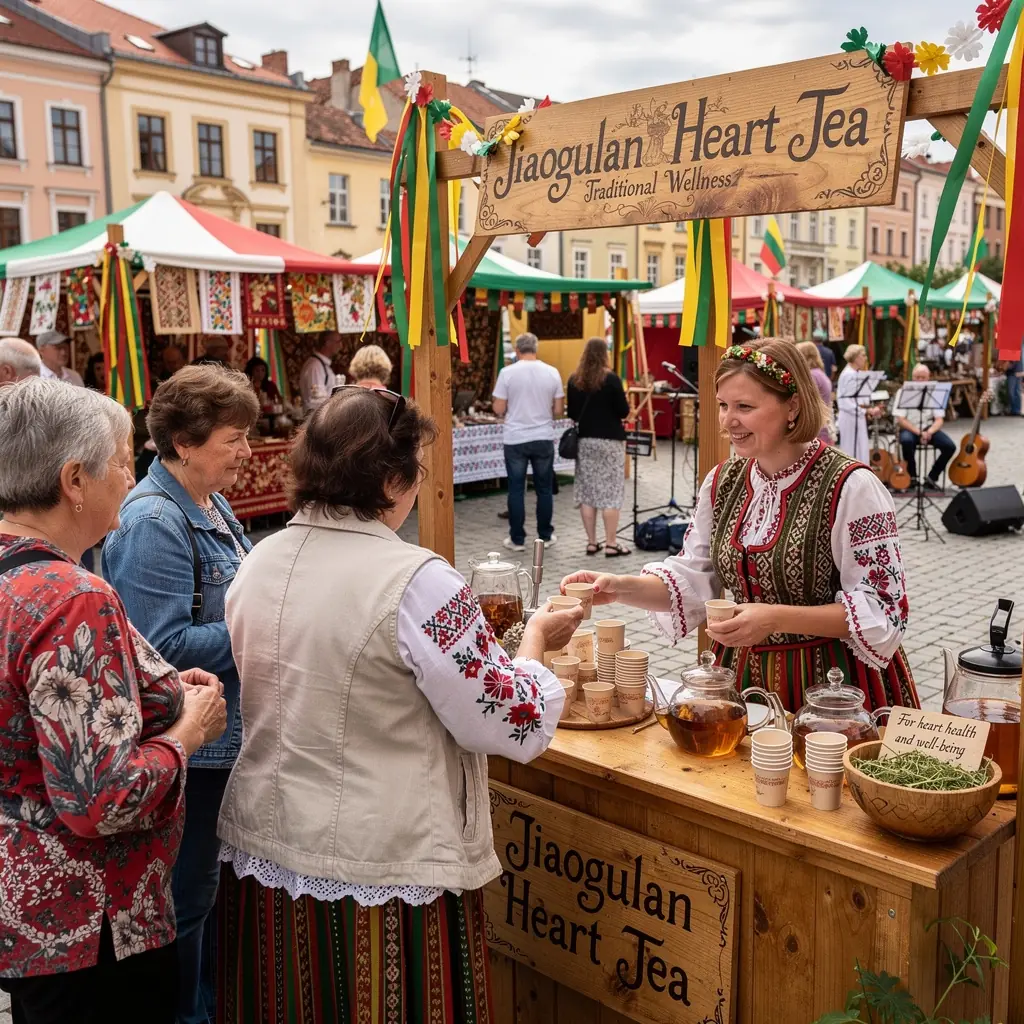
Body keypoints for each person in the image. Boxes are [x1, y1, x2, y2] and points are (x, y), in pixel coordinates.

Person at [216, 385, 582, 1022]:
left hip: (267, 845)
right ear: (390, 479)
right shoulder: (419, 580)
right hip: (381, 865)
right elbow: (506, 720)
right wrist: (537, 645)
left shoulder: (258, 559)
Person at [0, 378, 227, 1023]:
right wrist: (185, 731)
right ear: (75, 480)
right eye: (125, 460)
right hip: (95, 920)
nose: (134, 476)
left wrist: (147, 685)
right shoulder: (71, 597)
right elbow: (101, 798)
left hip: (32, 907)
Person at [561, 339, 919, 713]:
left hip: (835, 691)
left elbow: (883, 610)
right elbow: (693, 580)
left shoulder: (852, 486)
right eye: (723, 405)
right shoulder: (723, 481)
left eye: (744, 407)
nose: (728, 420)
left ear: (792, 405)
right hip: (743, 681)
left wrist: (775, 617)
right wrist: (618, 587)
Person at [102, 366, 259, 1024]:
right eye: (234, 438)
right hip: (193, 747)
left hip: (222, 738)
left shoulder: (206, 500)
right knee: (187, 901)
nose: (248, 452)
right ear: (186, 443)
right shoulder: (152, 520)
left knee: (206, 895)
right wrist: (259, 626)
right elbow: (156, 646)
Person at [492, 332, 564, 552]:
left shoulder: (507, 373)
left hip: (515, 438)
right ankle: (545, 535)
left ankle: (517, 539)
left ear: (517, 350)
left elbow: (499, 408)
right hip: (542, 436)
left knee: (516, 490)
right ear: (536, 348)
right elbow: (559, 411)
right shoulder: (552, 372)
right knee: (544, 489)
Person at [566, 336, 631, 557]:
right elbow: (623, 411)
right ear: (605, 354)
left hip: (586, 442)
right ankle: (611, 544)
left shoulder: (575, 379)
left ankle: (592, 543)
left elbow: (572, 413)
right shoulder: (611, 379)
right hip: (611, 442)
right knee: (611, 493)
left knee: (588, 493)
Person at [892, 364, 956, 491]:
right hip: (910, 427)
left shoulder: (935, 391)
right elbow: (900, 419)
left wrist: (929, 432)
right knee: (906, 441)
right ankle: (912, 477)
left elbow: (939, 419)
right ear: (912, 377)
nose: (920, 381)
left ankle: (932, 477)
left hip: (928, 427)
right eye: (917, 377)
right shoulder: (904, 391)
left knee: (950, 446)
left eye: (923, 377)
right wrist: (919, 433)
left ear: (928, 378)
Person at [836, 343, 882, 464]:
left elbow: (860, 398)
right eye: (863, 355)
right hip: (849, 417)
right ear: (855, 357)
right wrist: (866, 410)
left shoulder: (856, 373)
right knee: (851, 450)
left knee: (861, 450)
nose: (866, 358)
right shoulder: (847, 375)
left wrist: (870, 409)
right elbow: (844, 401)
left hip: (857, 416)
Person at [797, 340, 834, 444]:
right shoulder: (819, 373)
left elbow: (806, 401)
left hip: (816, 427)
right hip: (822, 424)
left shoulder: (812, 375)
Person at [300, 331, 342, 414]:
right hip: (318, 421)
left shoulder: (321, 365)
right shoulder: (315, 367)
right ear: (327, 343)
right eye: (338, 342)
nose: (341, 346)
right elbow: (317, 400)